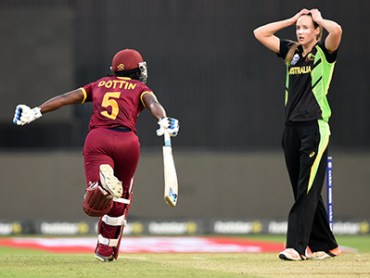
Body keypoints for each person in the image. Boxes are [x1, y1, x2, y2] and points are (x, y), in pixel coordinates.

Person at [13, 49, 179, 262]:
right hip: (128, 143)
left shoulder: (99, 84)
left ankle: (99, 184)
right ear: (135, 69)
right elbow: (154, 104)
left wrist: (36, 111)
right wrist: (163, 120)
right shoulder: (140, 88)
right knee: (121, 199)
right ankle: (105, 250)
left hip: (99, 139)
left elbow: (65, 98)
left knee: (94, 202)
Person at [253, 9, 342, 261]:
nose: (301, 32)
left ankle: (297, 247)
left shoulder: (324, 53)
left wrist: (319, 18)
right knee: (303, 189)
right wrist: (291, 19)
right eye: (298, 28)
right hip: (291, 128)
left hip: (314, 127)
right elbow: (260, 33)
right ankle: (327, 244)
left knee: (306, 190)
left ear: (316, 31)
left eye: (306, 28)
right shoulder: (291, 52)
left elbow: (336, 31)